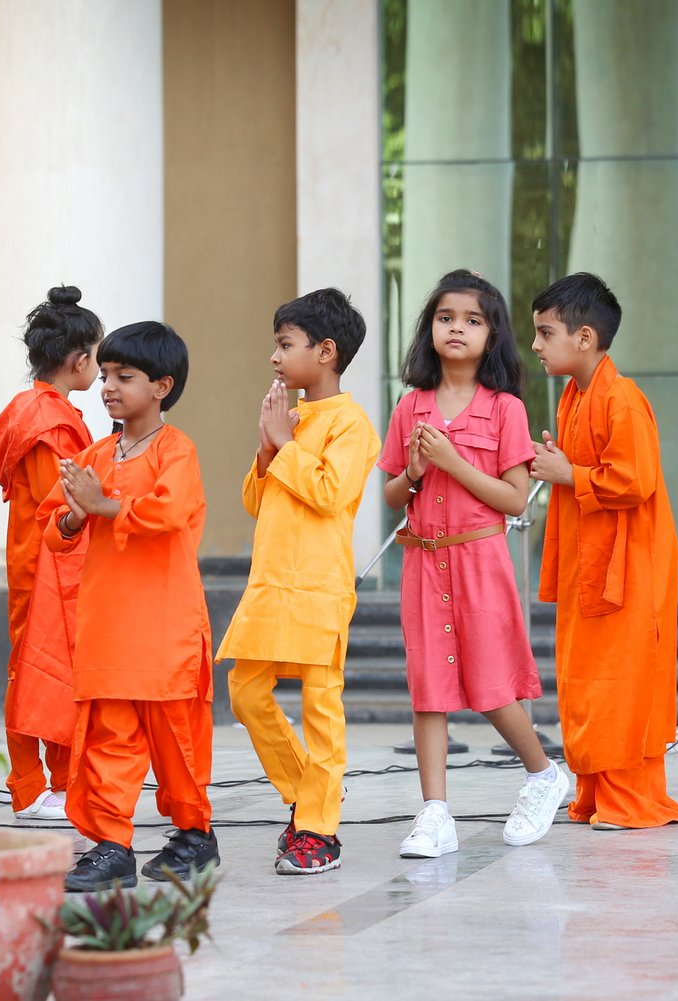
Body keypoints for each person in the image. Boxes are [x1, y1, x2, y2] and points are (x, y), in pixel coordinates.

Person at [380, 270, 568, 858]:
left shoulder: (506, 408)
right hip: (423, 561)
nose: (456, 328)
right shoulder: (410, 405)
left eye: (472, 319)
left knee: (490, 687)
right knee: (429, 691)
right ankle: (434, 813)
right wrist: (413, 471)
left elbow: (515, 499)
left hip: (480, 558)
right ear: (428, 329)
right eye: (445, 318)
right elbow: (389, 495)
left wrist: (452, 461)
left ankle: (543, 775)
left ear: (492, 335)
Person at [42, 321, 216, 891]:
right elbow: (55, 527)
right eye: (107, 374)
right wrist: (75, 512)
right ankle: (112, 845)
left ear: (162, 386)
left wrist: (104, 503)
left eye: (125, 376)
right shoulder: (95, 452)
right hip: (108, 628)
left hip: (164, 628)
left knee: (175, 738)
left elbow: (166, 514)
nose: (109, 386)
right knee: (109, 738)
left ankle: (195, 835)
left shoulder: (177, 450)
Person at [219, 288, 379, 875]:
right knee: (244, 692)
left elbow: (331, 493)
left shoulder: (352, 423)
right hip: (270, 584)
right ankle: (307, 790)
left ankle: (318, 826)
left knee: (320, 706)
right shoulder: (292, 418)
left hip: (317, 587)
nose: (275, 357)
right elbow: (256, 500)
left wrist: (284, 444)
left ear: (327, 351)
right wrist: (268, 449)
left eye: (286, 345)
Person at [529, 272, 678, 830]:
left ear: (585, 337)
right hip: (590, 563)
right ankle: (598, 794)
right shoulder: (576, 395)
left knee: (620, 679)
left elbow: (635, 481)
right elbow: (587, 471)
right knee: (584, 677)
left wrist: (565, 471)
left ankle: (631, 800)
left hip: (629, 564)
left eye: (546, 333)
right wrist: (560, 463)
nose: (536, 345)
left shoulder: (623, 398)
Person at [0, 286, 100, 822]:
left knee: (37, 667)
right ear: (79, 361)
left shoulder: (30, 410)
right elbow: (64, 502)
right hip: (51, 562)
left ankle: (49, 783)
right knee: (45, 670)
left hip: (32, 557)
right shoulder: (50, 422)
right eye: (97, 359)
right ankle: (37, 786)